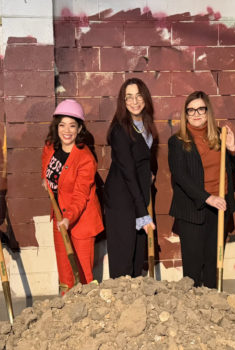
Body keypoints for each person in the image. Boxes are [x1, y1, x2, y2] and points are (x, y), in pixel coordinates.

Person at [168, 90, 235, 288]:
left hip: (219, 208)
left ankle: (210, 306)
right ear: (185, 114)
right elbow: (181, 177)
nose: (196, 113)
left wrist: (232, 148)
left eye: (200, 108)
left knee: (212, 262)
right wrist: (207, 198)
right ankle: (193, 310)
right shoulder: (177, 142)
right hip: (193, 209)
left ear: (208, 111)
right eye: (191, 110)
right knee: (193, 266)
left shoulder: (219, 135)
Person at [41, 99, 104, 293]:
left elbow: (80, 195)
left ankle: (86, 314)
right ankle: (66, 311)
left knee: (83, 273)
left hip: (81, 220)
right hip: (60, 218)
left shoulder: (85, 159)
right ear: (56, 126)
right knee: (65, 271)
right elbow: (47, 169)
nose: (66, 130)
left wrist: (69, 218)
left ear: (79, 129)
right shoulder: (50, 147)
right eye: (62, 125)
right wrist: (46, 181)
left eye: (72, 125)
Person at [104, 78, 158, 278]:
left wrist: (150, 174)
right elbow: (128, 172)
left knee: (137, 256)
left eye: (138, 95)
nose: (134, 101)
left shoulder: (145, 124)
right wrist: (142, 212)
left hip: (137, 196)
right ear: (122, 101)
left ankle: (135, 304)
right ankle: (121, 304)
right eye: (129, 97)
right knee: (124, 257)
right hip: (121, 200)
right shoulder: (120, 129)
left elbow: (144, 160)